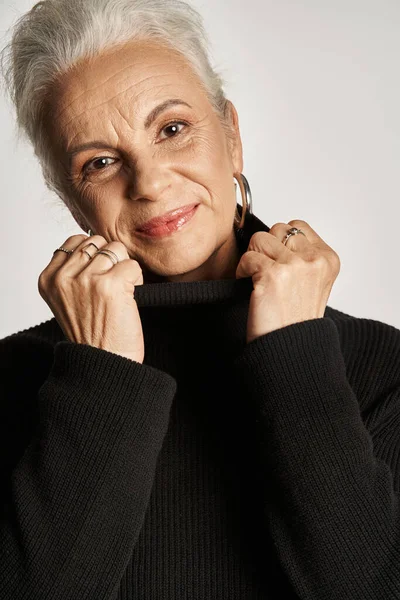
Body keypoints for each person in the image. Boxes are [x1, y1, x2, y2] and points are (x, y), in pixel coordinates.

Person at [0, 0, 399, 598]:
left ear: (231, 137)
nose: (151, 181)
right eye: (101, 161)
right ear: (69, 196)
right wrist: (101, 379)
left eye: (172, 129)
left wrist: (296, 359)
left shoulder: (375, 364)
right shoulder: (12, 381)